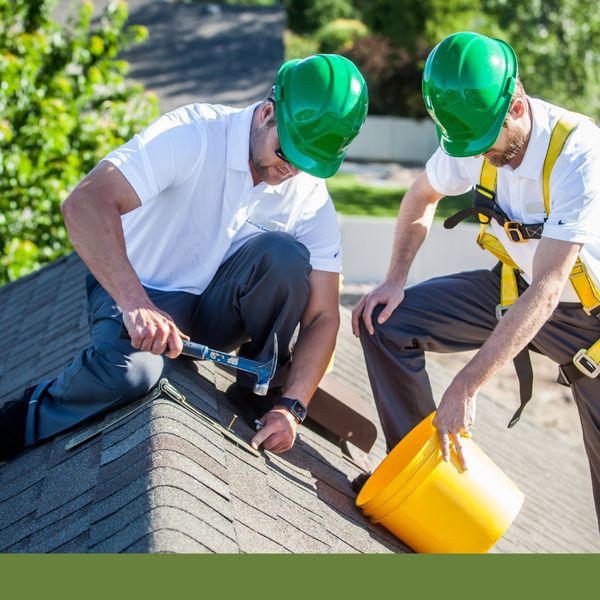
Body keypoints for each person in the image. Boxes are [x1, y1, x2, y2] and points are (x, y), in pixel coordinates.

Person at [0, 54, 368, 460]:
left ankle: (262, 392)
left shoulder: (309, 193)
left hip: (212, 313)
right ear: (267, 113)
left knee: (284, 257)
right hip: (139, 290)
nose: (293, 170)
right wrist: (135, 303)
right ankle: (20, 420)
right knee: (133, 375)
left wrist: (293, 406)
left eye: (307, 162)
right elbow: (85, 204)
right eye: (287, 153)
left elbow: (323, 316)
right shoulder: (194, 133)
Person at [351, 31, 600, 528]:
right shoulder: (471, 137)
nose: (478, 155)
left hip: (589, 327)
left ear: (517, 106)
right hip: (515, 291)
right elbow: (419, 196)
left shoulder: (579, 152)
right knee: (385, 323)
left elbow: (551, 285)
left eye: (485, 143)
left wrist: (466, 384)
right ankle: (426, 485)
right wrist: (393, 280)